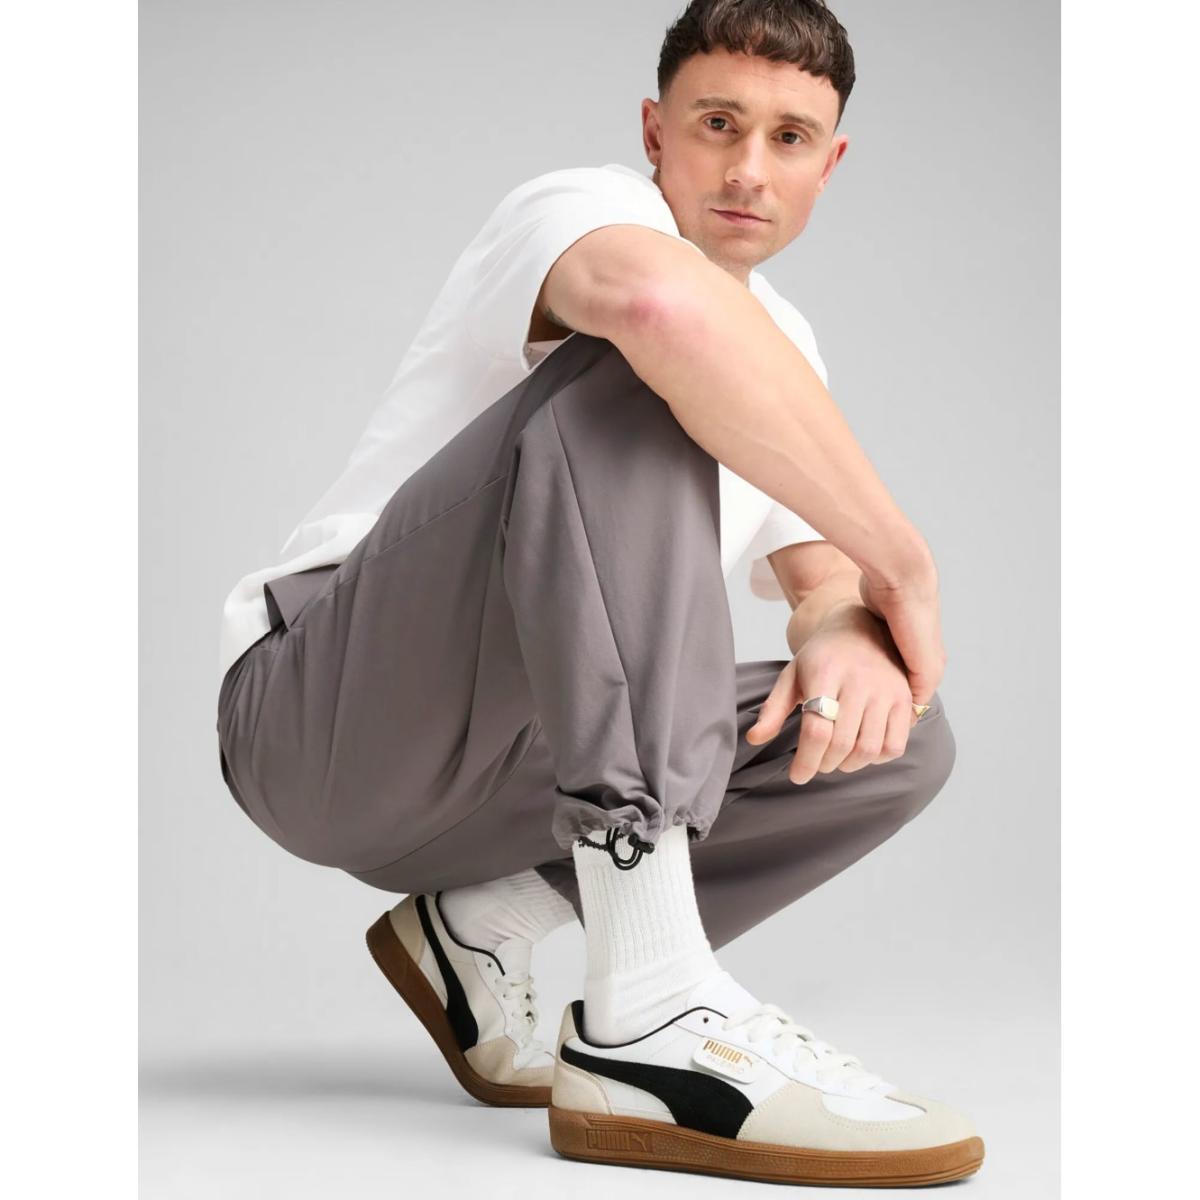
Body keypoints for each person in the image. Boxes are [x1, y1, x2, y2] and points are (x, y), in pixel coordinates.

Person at [215, 0, 983, 1186]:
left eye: (788, 139)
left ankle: (480, 927)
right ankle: (652, 1009)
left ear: (829, 164)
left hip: (521, 770)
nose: (748, 168)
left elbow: (819, 568)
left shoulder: (784, 343)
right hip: (325, 719)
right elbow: (660, 312)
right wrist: (907, 563)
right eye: (717, 124)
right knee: (647, 369)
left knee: (893, 736)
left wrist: (845, 622)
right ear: (655, 131)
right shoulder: (582, 212)